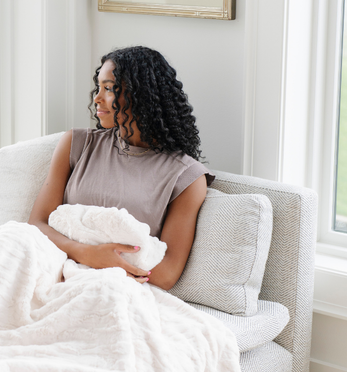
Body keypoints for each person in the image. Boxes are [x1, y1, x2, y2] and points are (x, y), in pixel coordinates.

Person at [29, 46, 214, 290]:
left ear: (141, 95)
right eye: (99, 87)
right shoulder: (77, 144)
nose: (97, 98)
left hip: (110, 287)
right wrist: (88, 253)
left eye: (108, 89)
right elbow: (36, 224)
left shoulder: (186, 178)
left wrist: (106, 266)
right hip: (44, 267)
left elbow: (168, 272)